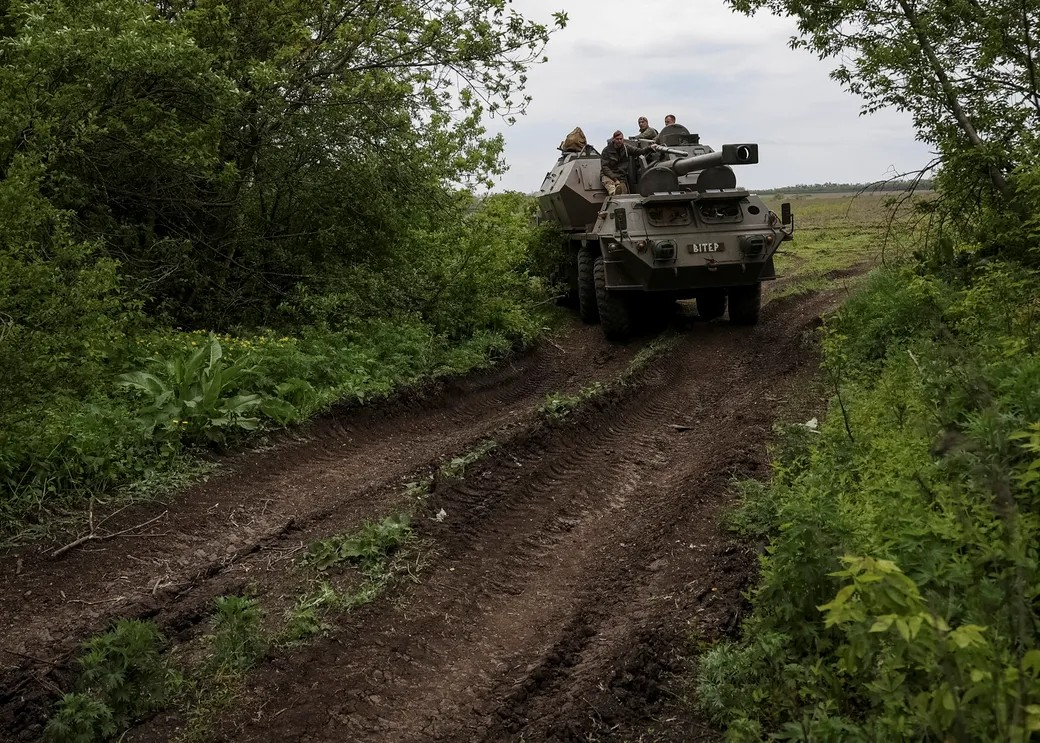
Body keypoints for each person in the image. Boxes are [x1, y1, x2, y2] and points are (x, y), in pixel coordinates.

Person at [600, 130, 656, 196]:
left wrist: (650, 148)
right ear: (614, 139)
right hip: (609, 175)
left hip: (620, 177)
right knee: (610, 185)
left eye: (621, 139)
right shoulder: (606, 151)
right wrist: (614, 179)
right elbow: (605, 167)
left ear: (623, 139)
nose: (619, 141)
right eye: (617, 139)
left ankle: (617, 192)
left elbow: (638, 151)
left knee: (623, 193)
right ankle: (613, 192)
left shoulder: (626, 148)